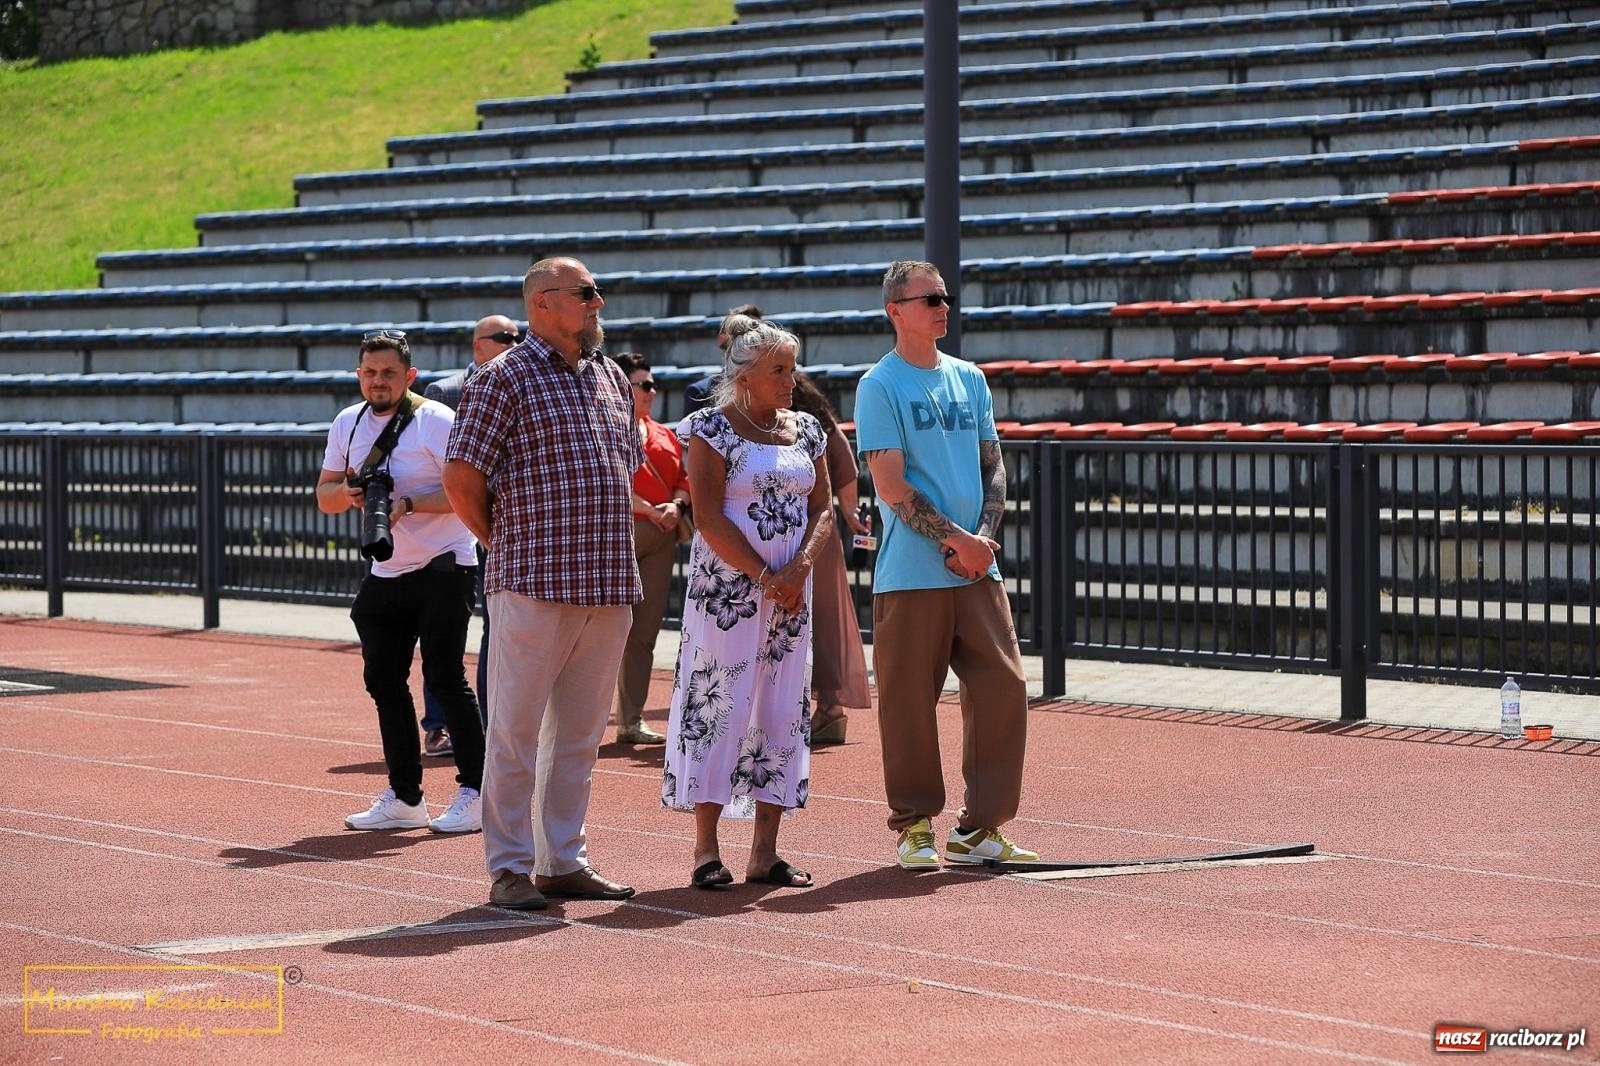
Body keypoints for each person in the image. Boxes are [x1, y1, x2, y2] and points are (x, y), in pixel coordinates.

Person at [444, 257, 641, 911]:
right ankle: (508, 867)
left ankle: (563, 860)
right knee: (516, 731)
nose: (599, 303)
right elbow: (462, 478)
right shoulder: (503, 377)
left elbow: (626, 466)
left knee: (581, 736)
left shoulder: (612, 376)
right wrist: (505, 545)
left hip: (608, 582)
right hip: (532, 581)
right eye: (586, 293)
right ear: (542, 305)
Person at [853, 260, 1042, 870]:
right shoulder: (880, 384)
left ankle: (979, 828)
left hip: (975, 567)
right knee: (909, 702)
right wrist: (957, 539)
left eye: (946, 297)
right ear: (895, 311)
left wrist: (982, 539)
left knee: (1003, 689)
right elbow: (889, 483)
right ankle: (913, 825)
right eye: (929, 299)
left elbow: (994, 465)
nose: (942, 307)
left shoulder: (970, 378)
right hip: (912, 572)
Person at [662, 317, 833, 890]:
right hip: (728, 594)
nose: (790, 379)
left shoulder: (807, 429)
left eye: (792, 368)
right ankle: (706, 850)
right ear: (745, 376)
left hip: (790, 593)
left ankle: (765, 852)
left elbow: (824, 508)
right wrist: (766, 575)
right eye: (778, 370)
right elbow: (707, 516)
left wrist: (800, 568)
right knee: (719, 703)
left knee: (781, 710)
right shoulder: (711, 429)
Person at [314, 329, 485, 835]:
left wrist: (406, 504)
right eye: (369, 372)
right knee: (384, 683)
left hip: (444, 564)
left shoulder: (436, 420)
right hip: (385, 568)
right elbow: (323, 494)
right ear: (358, 375)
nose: (378, 381)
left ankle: (477, 793)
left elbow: (469, 493)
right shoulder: (348, 421)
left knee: (446, 680)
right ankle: (406, 796)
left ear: (410, 376)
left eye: (389, 372)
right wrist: (351, 493)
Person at [416, 314, 520, 755]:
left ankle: (489, 720)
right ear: (478, 347)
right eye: (503, 338)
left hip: (509, 523)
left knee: (497, 627)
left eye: (519, 336)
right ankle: (439, 722)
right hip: (459, 526)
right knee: (447, 626)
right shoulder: (446, 391)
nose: (514, 342)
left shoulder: (526, 382)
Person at [787, 373, 870, 745]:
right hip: (822, 531)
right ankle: (830, 707)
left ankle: (807, 710)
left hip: (790, 531)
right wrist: (850, 513)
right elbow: (846, 465)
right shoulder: (820, 419)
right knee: (825, 618)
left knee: (795, 616)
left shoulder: (775, 418)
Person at [613, 350, 690, 746]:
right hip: (618, 534)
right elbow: (606, 479)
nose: (651, 391)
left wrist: (675, 506)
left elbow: (683, 477)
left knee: (644, 634)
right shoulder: (606, 429)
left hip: (659, 538)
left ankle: (630, 720)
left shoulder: (664, 432)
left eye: (653, 384)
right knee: (599, 633)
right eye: (644, 384)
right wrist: (649, 508)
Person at [682, 303, 763, 416]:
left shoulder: (783, 385)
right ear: (722, 339)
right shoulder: (700, 393)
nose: (751, 340)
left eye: (759, 332)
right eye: (741, 333)